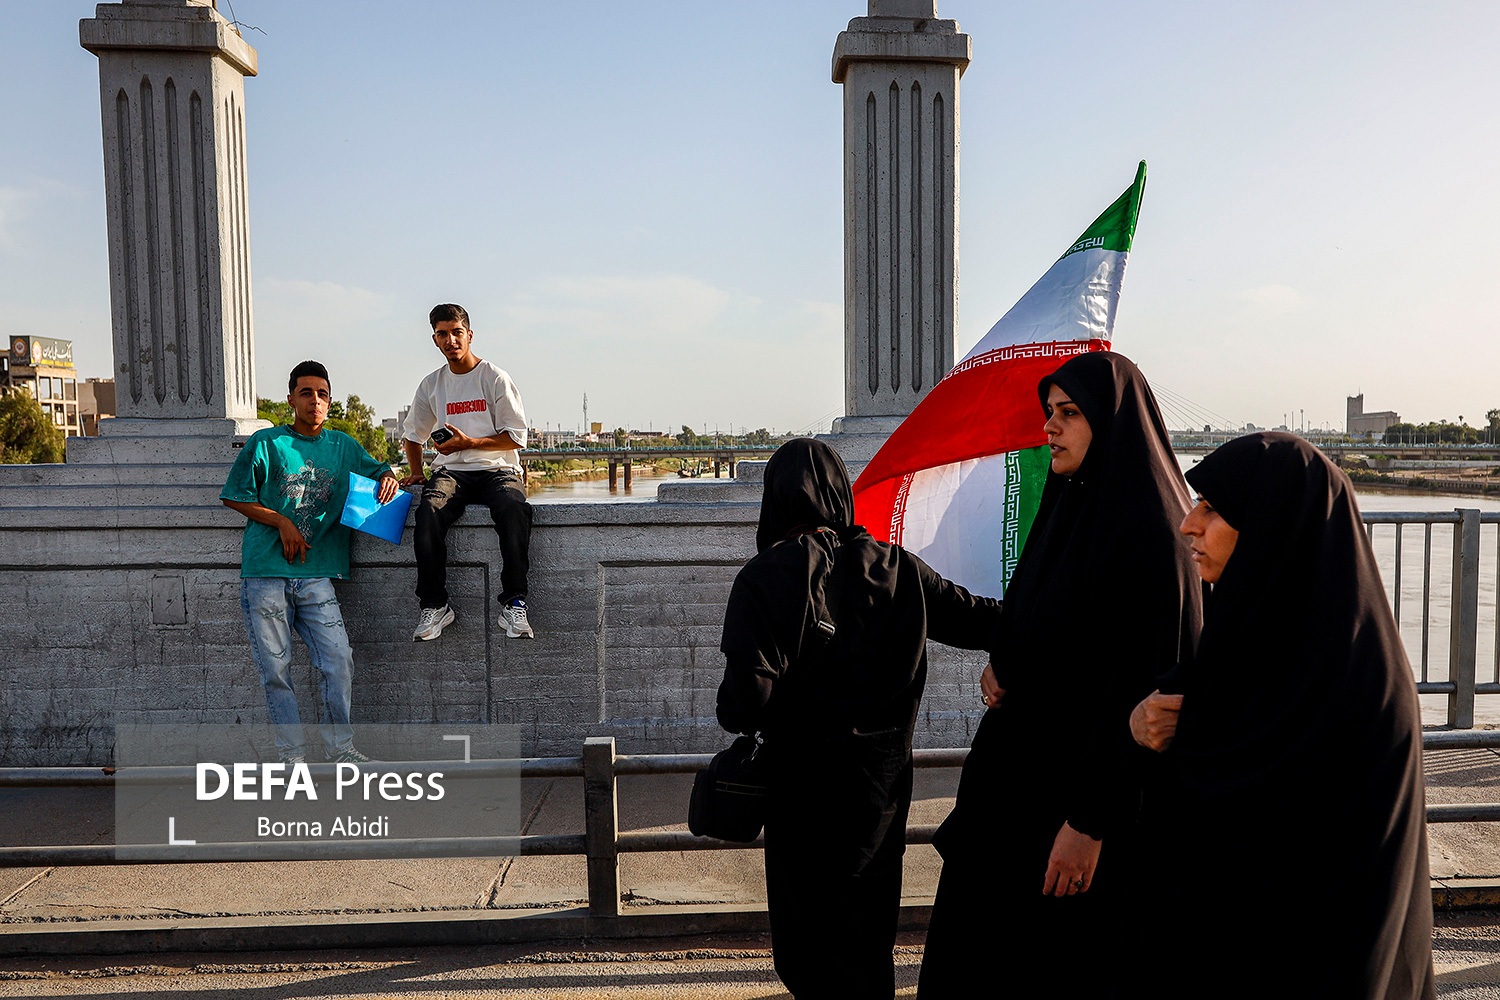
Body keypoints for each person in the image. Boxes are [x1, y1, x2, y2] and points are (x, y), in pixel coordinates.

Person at [917, 352, 1202, 998]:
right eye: (1050, 412)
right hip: (1020, 799)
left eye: (1069, 414)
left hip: (1076, 819)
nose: (1050, 426)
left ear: (1111, 421)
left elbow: (1148, 699)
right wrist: (1007, 661)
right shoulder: (1068, 507)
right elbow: (1044, 615)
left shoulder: (1152, 541)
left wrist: (1091, 822)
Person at [1130, 432, 1436, 999]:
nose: (1188, 524)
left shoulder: (1357, 686)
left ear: (1273, 525)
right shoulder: (1251, 629)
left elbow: (1284, 821)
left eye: (1212, 508)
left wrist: (1186, 731)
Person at [717, 438, 1002, 999]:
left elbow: (742, 704)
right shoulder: (899, 570)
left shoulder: (763, 578)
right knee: (867, 942)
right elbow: (983, 620)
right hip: (878, 795)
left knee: (808, 948)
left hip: (799, 797)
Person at [220, 360, 399, 765]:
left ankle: (340, 749)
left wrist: (388, 475)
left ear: (329, 402)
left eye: (322, 394)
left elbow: (378, 470)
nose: (314, 401)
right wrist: (281, 521)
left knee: (339, 660)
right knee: (275, 670)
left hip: (317, 574)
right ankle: (292, 756)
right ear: (290, 400)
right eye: (306, 393)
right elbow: (234, 495)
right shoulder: (267, 443)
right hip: (266, 573)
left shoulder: (343, 446)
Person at [400, 303, 534, 641]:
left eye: (457, 332)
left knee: (514, 509)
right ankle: (435, 605)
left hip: (498, 469)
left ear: (470, 335)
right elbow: (412, 434)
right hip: (451, 472)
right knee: (429, 511)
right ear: (435, 339)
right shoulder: (432, 384)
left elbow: (516, 437)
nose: (451, 340)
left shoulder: (495, 378)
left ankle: (514, 602)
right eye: (442, 334)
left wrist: (468, 442)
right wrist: (416, 471)